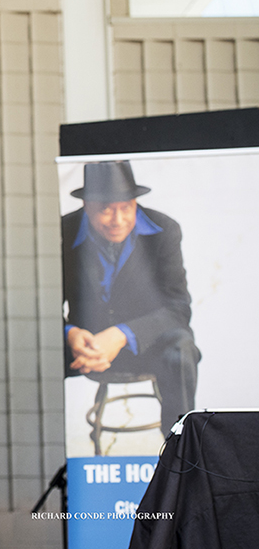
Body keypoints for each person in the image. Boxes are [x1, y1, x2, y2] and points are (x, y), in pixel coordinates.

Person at [63, 161, 200, 437]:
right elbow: (43, 306)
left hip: (145, 345)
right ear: (86, 206)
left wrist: (120, 335)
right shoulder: (61, 232)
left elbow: (178, 308)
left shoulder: (164, 230)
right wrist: (70, 333)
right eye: (105, 209)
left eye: (126, 207)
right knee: (32, 351)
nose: (118, 220)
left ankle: (180, 451)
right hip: (82, 348)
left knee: (181, 347)